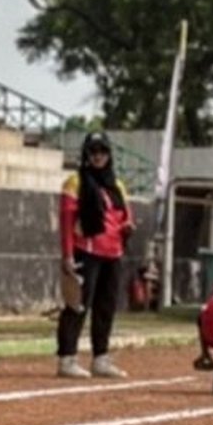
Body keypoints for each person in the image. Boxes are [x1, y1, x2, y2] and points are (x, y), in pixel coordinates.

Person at [56, 131, 134, 379]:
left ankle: (101, 357)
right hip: (86, 252)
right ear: (86, 154)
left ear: (109, 154)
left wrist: (127, 228)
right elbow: (67, 222)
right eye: (93, 151)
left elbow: (124, 217)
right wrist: (68, 255)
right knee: (77, 305)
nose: (98, 156)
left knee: (106, 307)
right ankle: (67, 358)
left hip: (113, 253)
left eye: (102, 151)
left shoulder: (117, 185)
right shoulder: (75, 183)